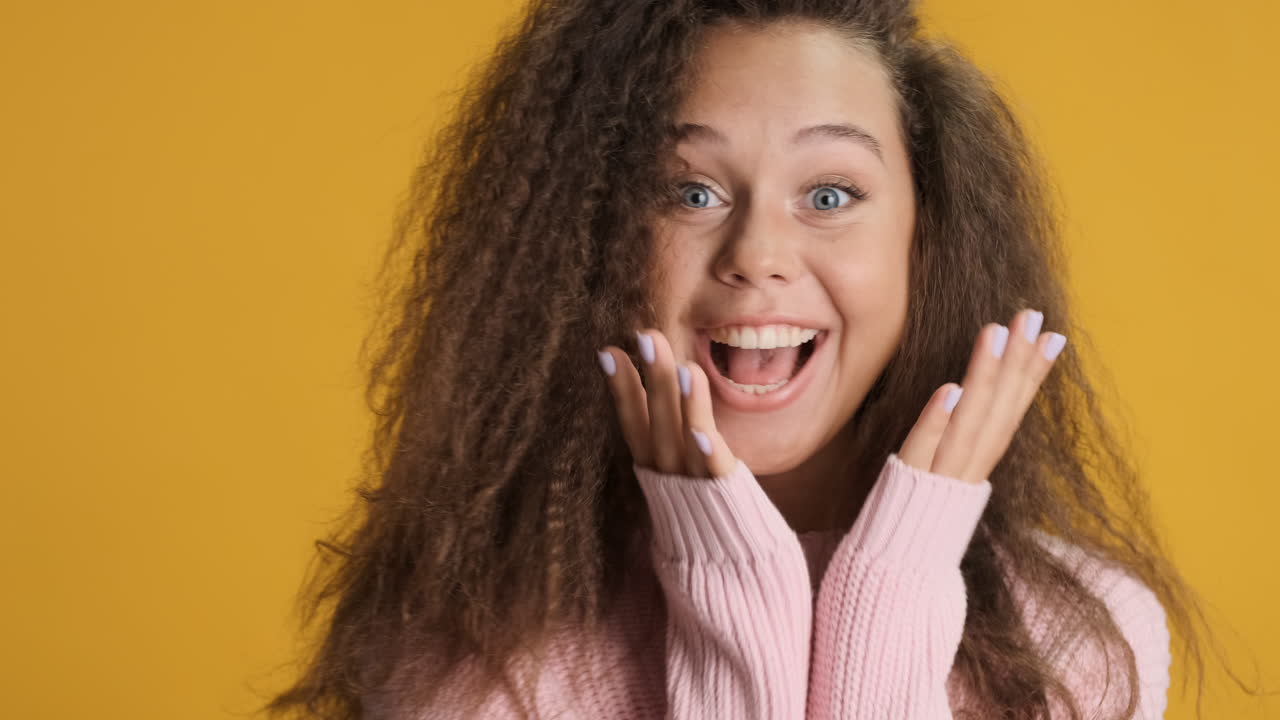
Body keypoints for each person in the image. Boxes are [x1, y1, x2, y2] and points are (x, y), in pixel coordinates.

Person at [259, 1, 1226, 718]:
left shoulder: (1081, 640)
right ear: (583, 241)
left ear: (927, 242)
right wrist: (728, 592)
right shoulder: (473, 652)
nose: (757, 253)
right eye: (689, 193)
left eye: (832, 195)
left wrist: (890, 593)